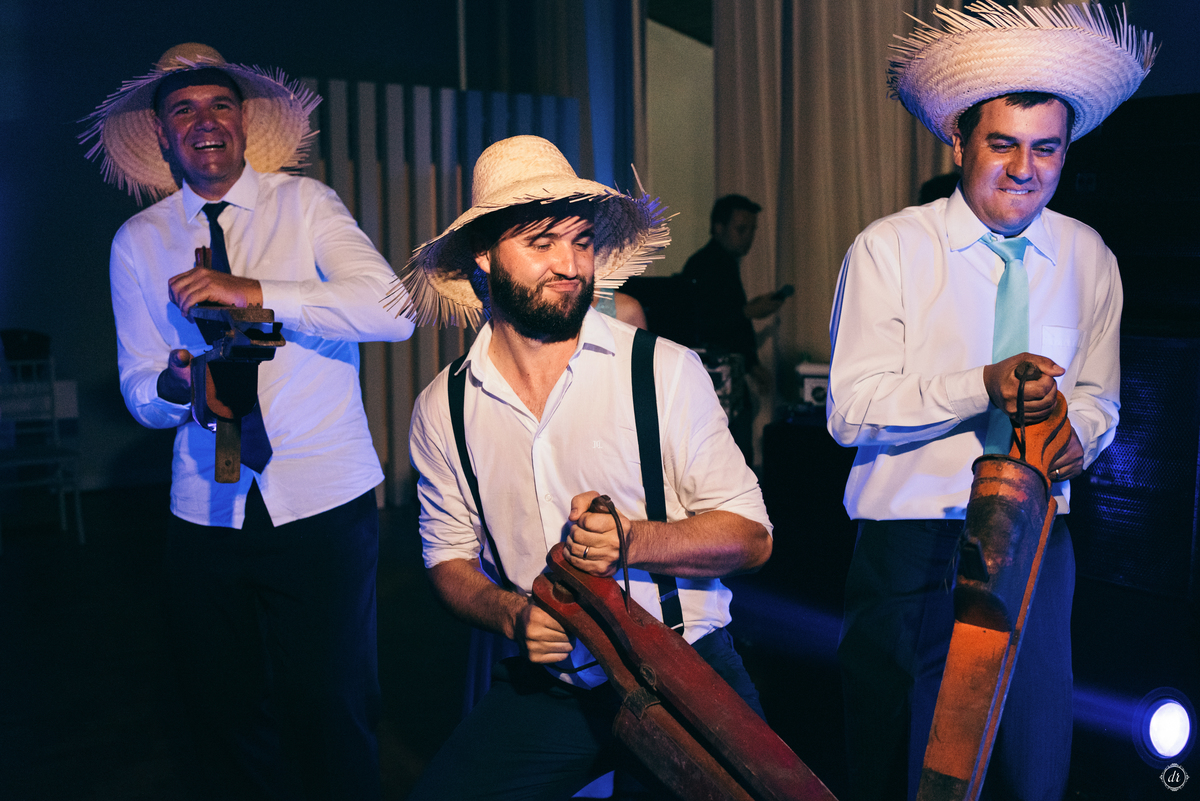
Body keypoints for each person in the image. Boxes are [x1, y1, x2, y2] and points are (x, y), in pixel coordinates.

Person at [827, 5, 1155, 800]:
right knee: (900, 764)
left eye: (1046, 149)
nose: (1024, 168)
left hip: (1041, 541)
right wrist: (980, 381)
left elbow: (1100, 399)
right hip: (915, 542)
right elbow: (850, 409)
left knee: (1032, 766)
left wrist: (1082, 435)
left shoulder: (1088, 255)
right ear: (959, 143)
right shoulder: (890, 248)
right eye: (1002, 144)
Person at [392, 135, 773, 800]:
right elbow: (448, 560)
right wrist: (512, 615)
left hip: (685, 668)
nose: (570, 264)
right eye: (542, 242)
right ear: (485, 254)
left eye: (582, 242)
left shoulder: (660, 370)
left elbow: (752, 536)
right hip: (557, 686)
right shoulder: (443, 408)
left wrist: (635, 538)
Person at [82, 44, 415, 799]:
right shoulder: (136, 243)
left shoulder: (309, 206)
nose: (205, 122)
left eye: (220, 105)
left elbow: (392, 311)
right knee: (224, 714)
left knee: (333, 706)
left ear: (242, 123)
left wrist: (254, 288)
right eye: (184, 110)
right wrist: (179, 384)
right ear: (163, 136)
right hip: (204, 509)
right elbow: (139, 391)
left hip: (323, 501)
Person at [680, 194, 788, 462]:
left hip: (723, 378)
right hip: (713, 380)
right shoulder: (704, 265)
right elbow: (698, 324)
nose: (749, 237)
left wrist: (751, 364)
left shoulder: (721, 263)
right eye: (742, 229)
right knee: (729, 457)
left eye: (752, 230)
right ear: (719, 228)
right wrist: (748, 312)